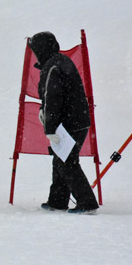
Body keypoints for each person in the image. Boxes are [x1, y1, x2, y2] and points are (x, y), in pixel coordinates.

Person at [29, 31, 99, 214]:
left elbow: (52, 97)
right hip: (76, 119)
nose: (35, 54)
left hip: (70, 122)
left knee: (66, 162)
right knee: (60, 159)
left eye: (36, 50)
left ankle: (87, 202)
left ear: (42, 48)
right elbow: (51, 98)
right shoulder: (58, 62)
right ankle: (57, 201)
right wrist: (43, 112)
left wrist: (50, 126)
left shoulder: (52, 66)